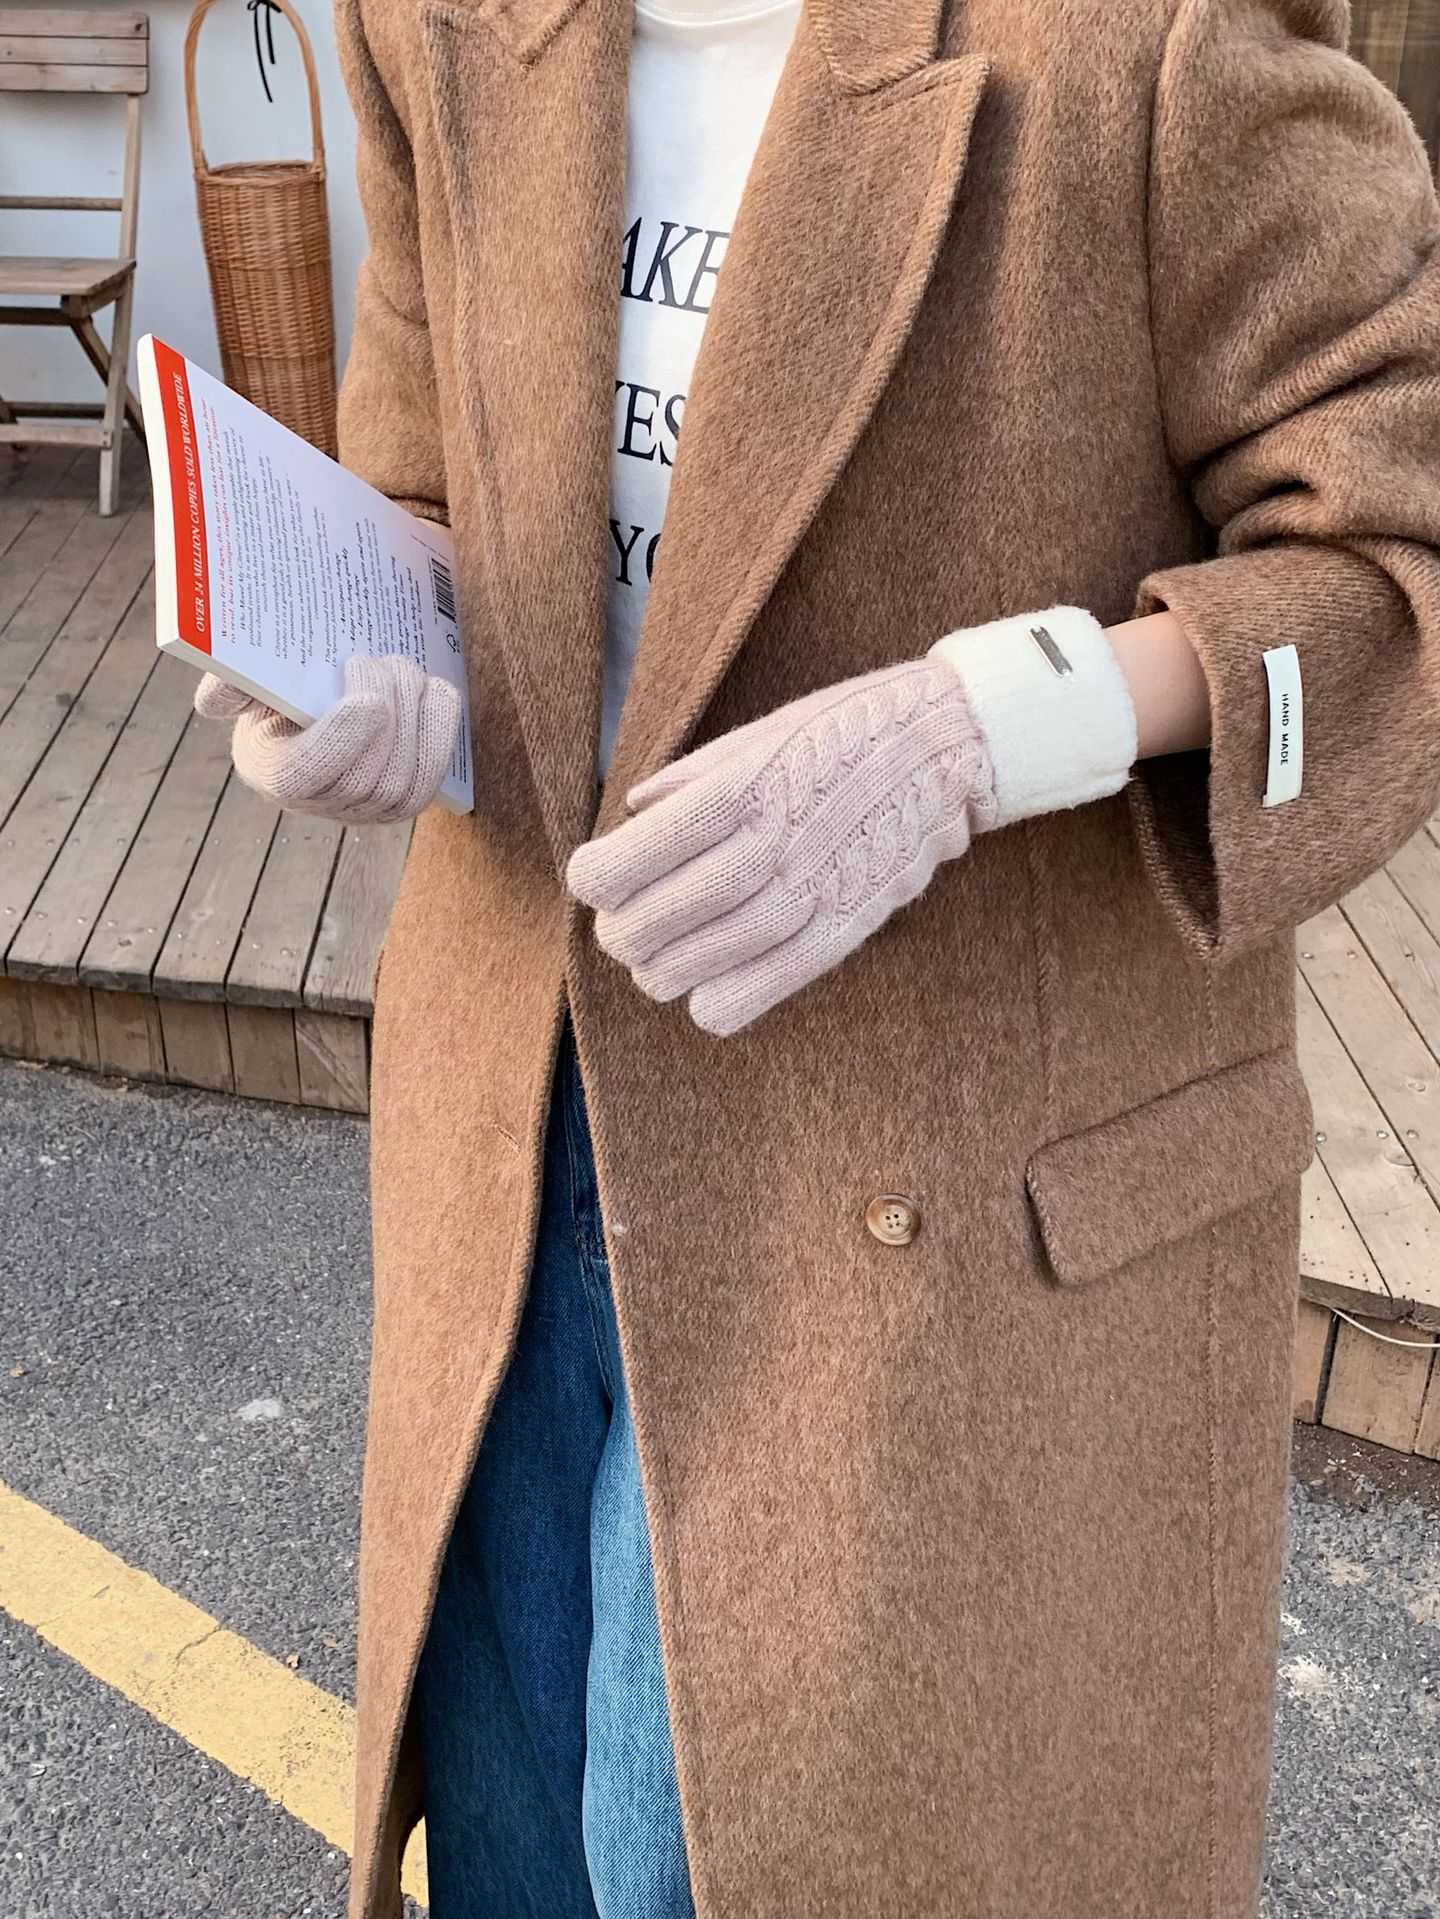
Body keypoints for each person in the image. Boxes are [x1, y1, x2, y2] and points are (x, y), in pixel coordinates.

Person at [196, 0, 1440, 1912]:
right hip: (512, 1143)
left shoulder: (1148, 38)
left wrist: (989, 727)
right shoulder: (431, 23)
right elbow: (433, 486)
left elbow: (1396, 562)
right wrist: (360, 669)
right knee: (520, 1859)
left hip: (941, 1204)